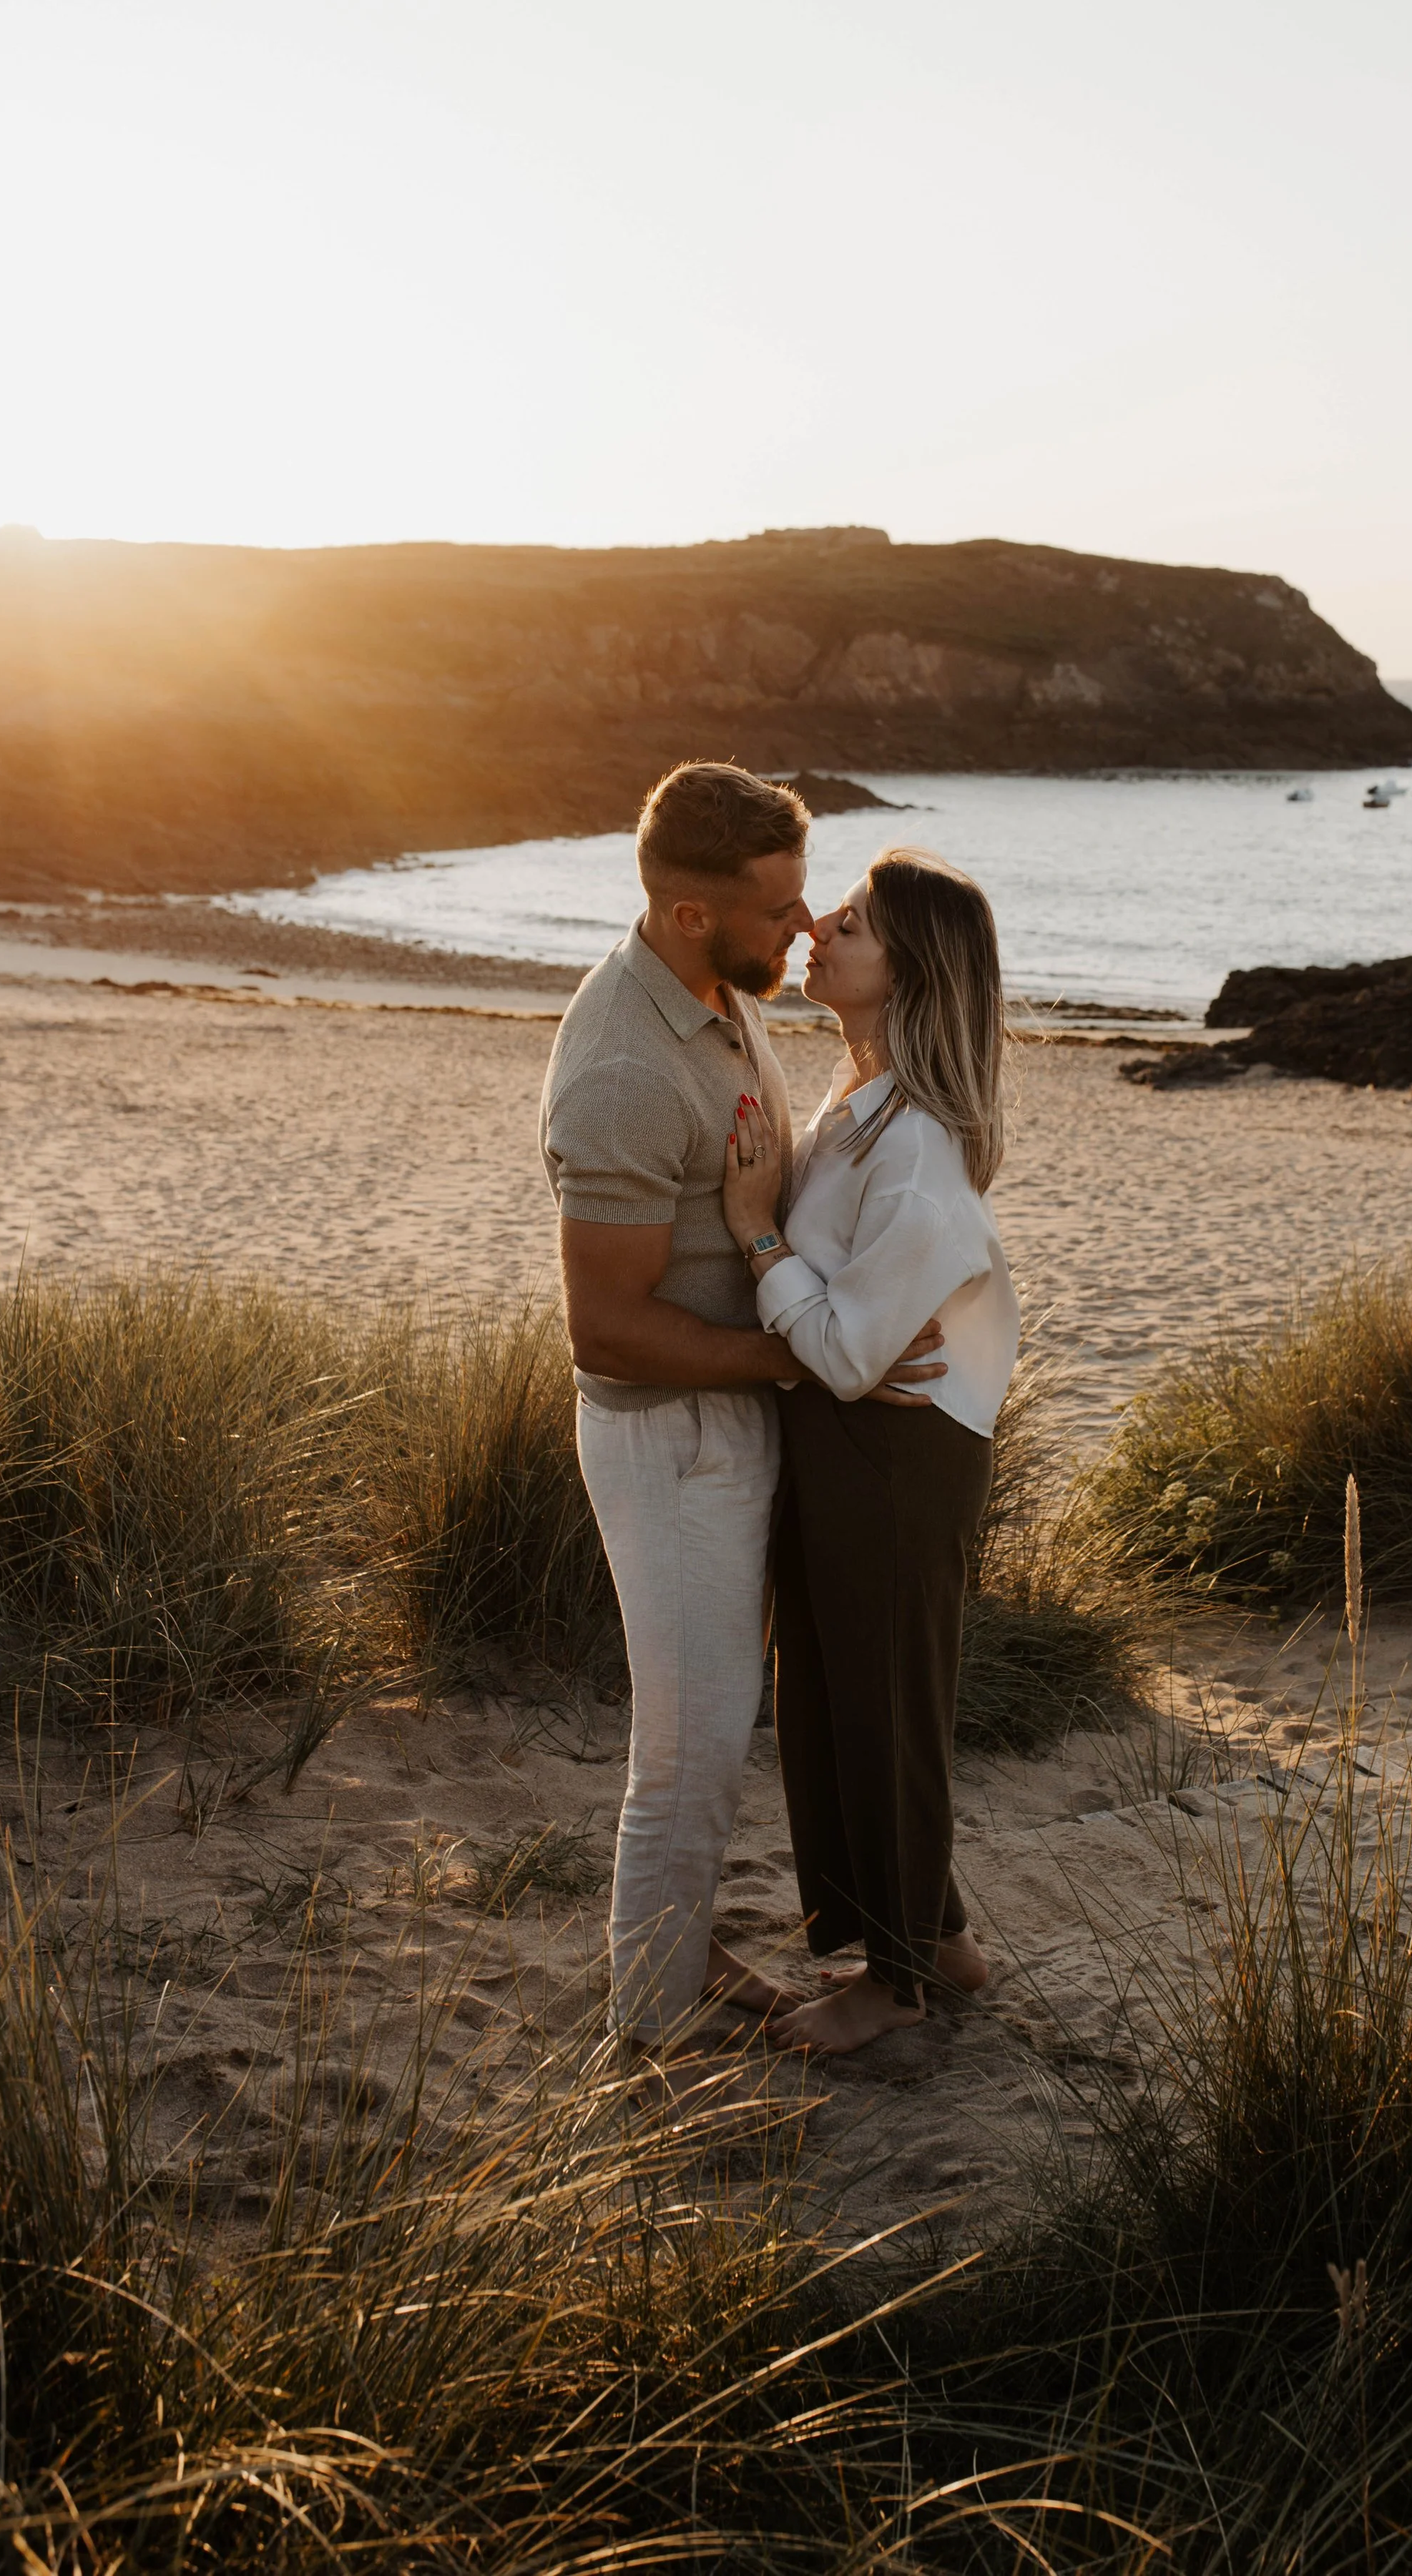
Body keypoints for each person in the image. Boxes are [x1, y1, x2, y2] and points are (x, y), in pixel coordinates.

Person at [540, 764, 944, 2059]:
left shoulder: (721, 994)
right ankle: (647, 2032)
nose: (805, 923)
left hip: (740, 1423)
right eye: (778, 908)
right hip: (672, 1444)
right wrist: (809, 1365)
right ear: (691, 913)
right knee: (691, 1750)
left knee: (725, 1724)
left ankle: (681, 1944)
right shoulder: (620, 1068)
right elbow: (604, 1328)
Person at [721, 850, 1021, 2055]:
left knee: (883, 1703)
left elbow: (848, 1353)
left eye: (852, 922)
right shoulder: (859, 1103)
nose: (819, 928)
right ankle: (934, 1931)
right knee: (841, 1694)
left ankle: (893, 1986)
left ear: (910, 971)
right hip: (852, 1443)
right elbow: (844, 1336)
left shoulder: (921, 1153)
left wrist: (754, 1238)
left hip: (898, 1454)